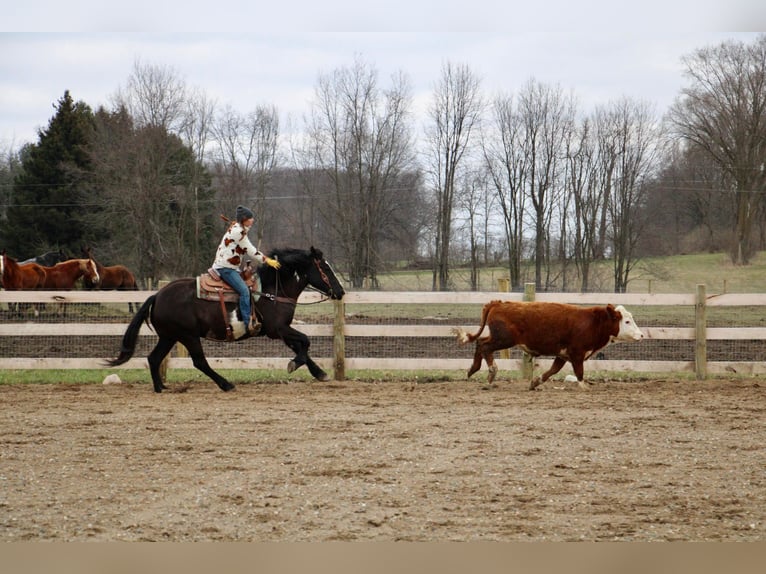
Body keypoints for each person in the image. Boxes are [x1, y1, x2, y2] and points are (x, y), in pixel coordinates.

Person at [212, 205, 281, 336]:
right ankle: (247, 322)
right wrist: (267, 260)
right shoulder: (238, 232)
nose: (253, 220)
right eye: (250, 218)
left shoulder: (238, 228)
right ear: (244, 219)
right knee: (244, 291)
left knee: (248, 286)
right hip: (225, 268)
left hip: (230, 266)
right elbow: (250, 250)